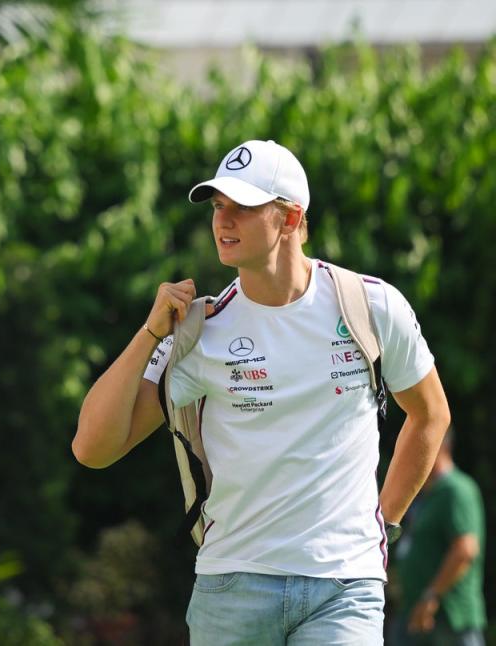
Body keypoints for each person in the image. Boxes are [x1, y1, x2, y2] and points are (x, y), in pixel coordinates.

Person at [73, 139, 451, 644]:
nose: (222, 221)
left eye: (243, 207)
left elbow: (430, 415)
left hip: (346, 586)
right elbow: (93, 448)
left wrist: (386, 522)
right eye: (217, 206)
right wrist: (149, 335)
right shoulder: (197, 331)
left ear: (291, 219)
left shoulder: (371, 305)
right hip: (233, 586)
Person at [393, 427, 486, 645]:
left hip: (450, 619)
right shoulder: (427, 494)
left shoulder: (457, 490)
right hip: (417, 616)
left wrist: (431, 597)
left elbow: (465, 549)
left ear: (439, 446)